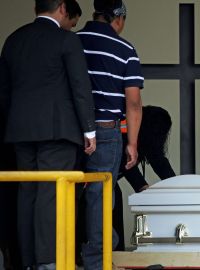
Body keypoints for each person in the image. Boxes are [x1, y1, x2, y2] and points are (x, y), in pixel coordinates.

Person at [0, 0, 96, 269]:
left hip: (20, 130)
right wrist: (89, 130)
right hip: (58, 130)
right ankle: (48, 262)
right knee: (50, 193)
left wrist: (16, 122)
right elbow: (80, 87)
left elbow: (4, 92)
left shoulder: (13, 40)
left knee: (27, 192)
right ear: (63, 8)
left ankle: (28, 261)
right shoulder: (66, 40)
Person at [77, 0, 143, 268]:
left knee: (61, 190)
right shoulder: (125, 48)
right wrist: (133, 143)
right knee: (100, 196)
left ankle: (59, 255)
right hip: (105, 130)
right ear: (118, 17)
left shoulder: (73, 41)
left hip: (70, 132)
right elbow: (134, 102)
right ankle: (97, 261)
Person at [114, 105, 176, 250]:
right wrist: (142, 187)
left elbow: (158, 161)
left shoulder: (146, 140)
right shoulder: (125, 133)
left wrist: (175, 185)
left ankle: (115, 254)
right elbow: (126, 164)